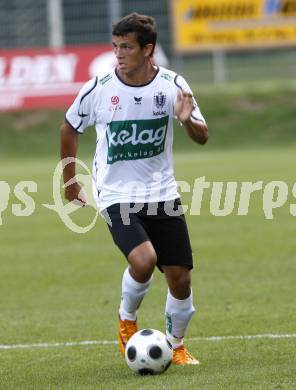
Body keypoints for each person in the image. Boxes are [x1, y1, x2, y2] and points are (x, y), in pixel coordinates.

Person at [60, 13, 208, 365]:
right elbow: (69, 128)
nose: (119, 54)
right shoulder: (99, 88)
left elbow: (202, 135)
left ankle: (175, 345)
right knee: (144, 260)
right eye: (115, 47)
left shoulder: (172, 85)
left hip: (162, 193)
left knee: (180, 278)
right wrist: (70, 181)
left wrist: (187, 121)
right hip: (115, 194)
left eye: (126, 47)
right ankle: (127, 319)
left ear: (148, 49)